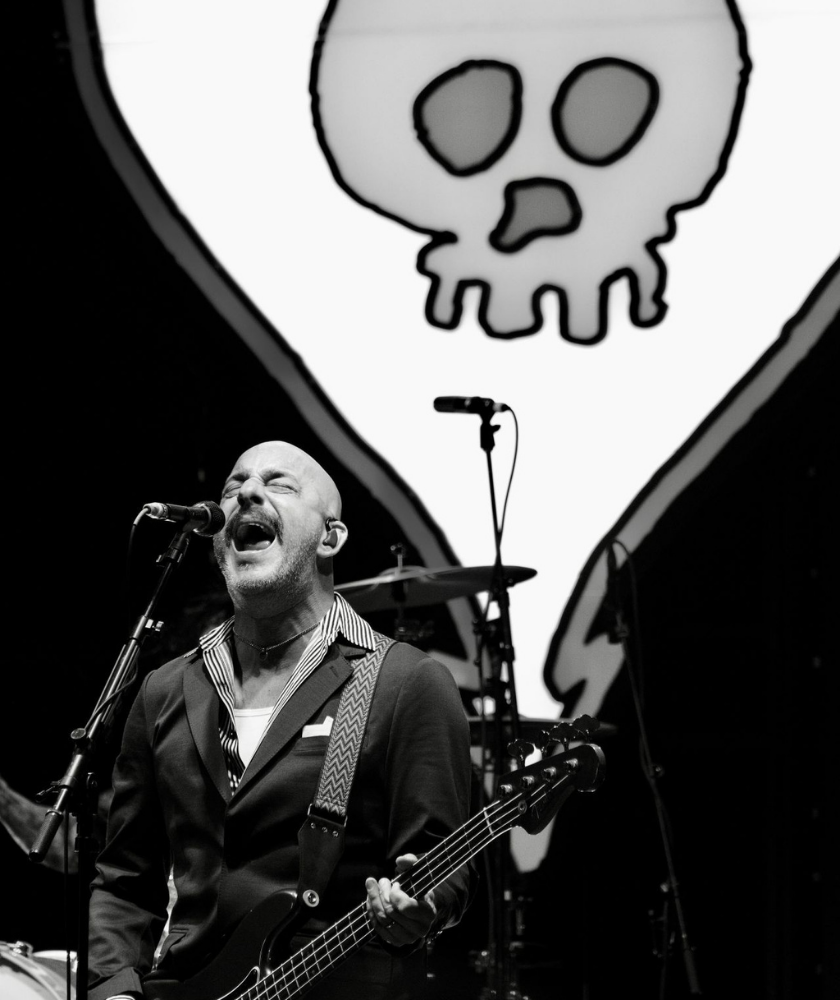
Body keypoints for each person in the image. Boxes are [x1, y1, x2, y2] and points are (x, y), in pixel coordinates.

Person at [87, 441, 473, 1000]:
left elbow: (446, 867)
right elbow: (125, 879)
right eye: (233, 485)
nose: (246, 493)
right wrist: (114, 989)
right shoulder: (165, 688)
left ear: (330, 537)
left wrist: (423, 902)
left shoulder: (404, 683)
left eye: (279, 485)